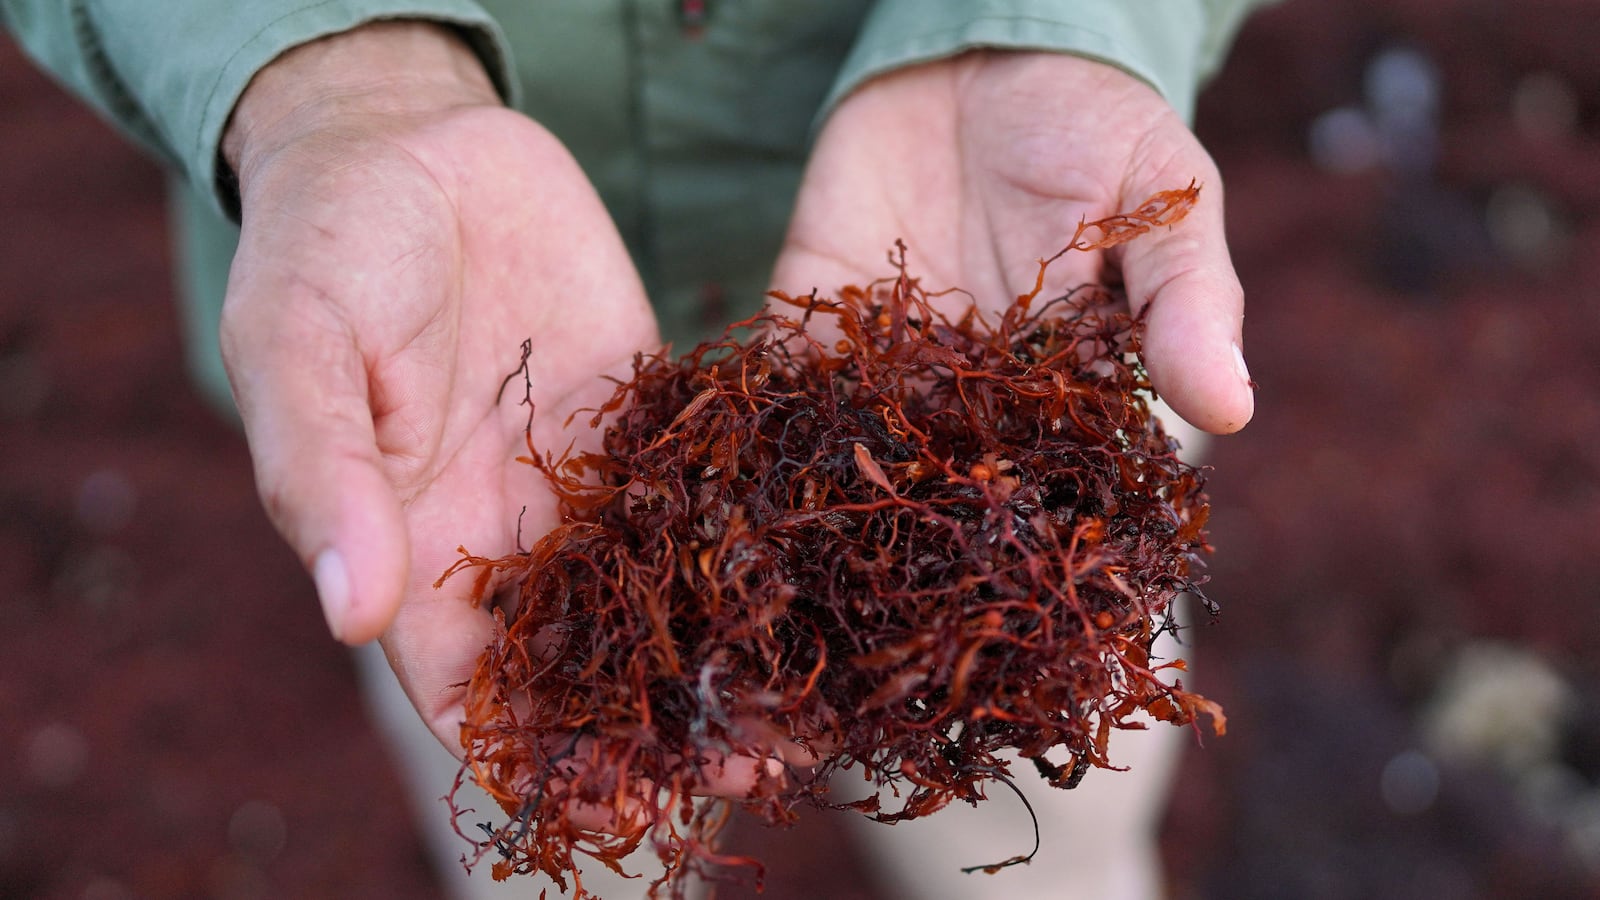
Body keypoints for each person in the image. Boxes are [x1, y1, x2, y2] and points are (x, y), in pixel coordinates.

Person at [3, 2, 1262, 897]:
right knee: (562, 787)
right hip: (462, 398)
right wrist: (334, 81)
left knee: (1040, 767)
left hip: (990, 301)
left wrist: (1054, 24)